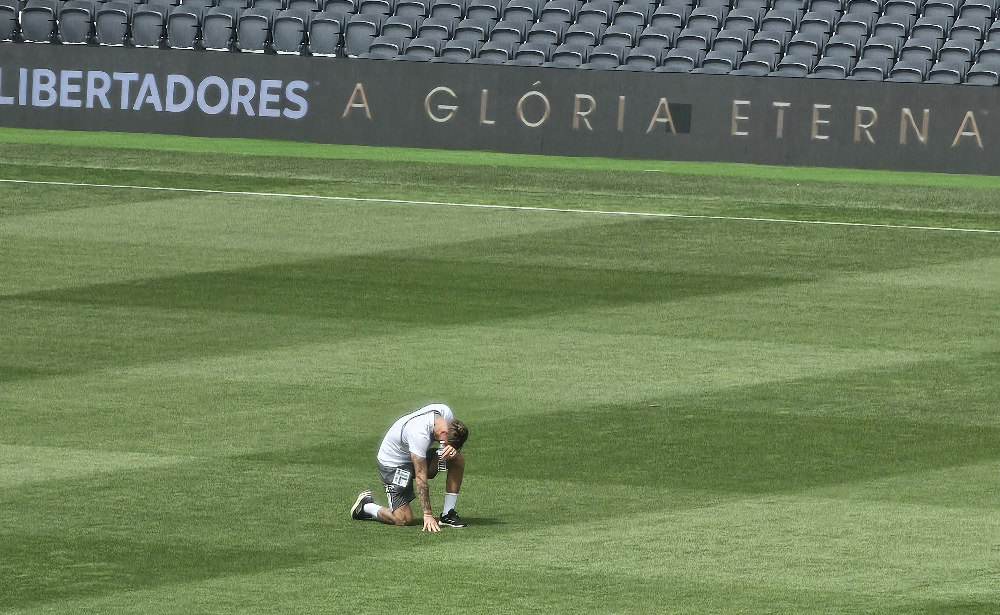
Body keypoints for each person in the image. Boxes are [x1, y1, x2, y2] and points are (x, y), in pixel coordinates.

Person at [351, 403, 469, 531]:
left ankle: (447, 514)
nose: (442, 445)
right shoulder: (419, 434)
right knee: (403, 519)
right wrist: (427, 515)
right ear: (444, 432)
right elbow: (420, 476)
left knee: (458, 458)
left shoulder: (445, 414)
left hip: (415, 454)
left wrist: (453, 448)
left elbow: (453, 441)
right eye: (443, 443)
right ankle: (366, 506)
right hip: (394, 465)